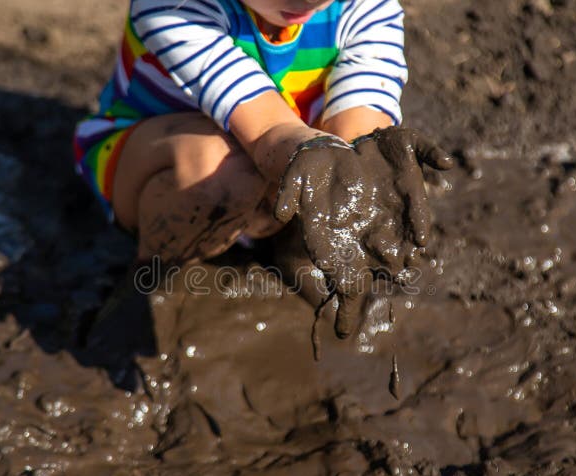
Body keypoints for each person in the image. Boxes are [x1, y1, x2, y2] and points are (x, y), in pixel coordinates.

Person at [74, 0, 452, 379]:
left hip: (283, 160)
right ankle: (157, 273)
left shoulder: (367, 9)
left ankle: (295, 249)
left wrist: (369, 172)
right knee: (229, 167)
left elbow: (357, 126)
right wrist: (324, 161)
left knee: (351, 165)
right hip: (153, 164)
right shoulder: (174, 6)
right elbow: (266, 129)